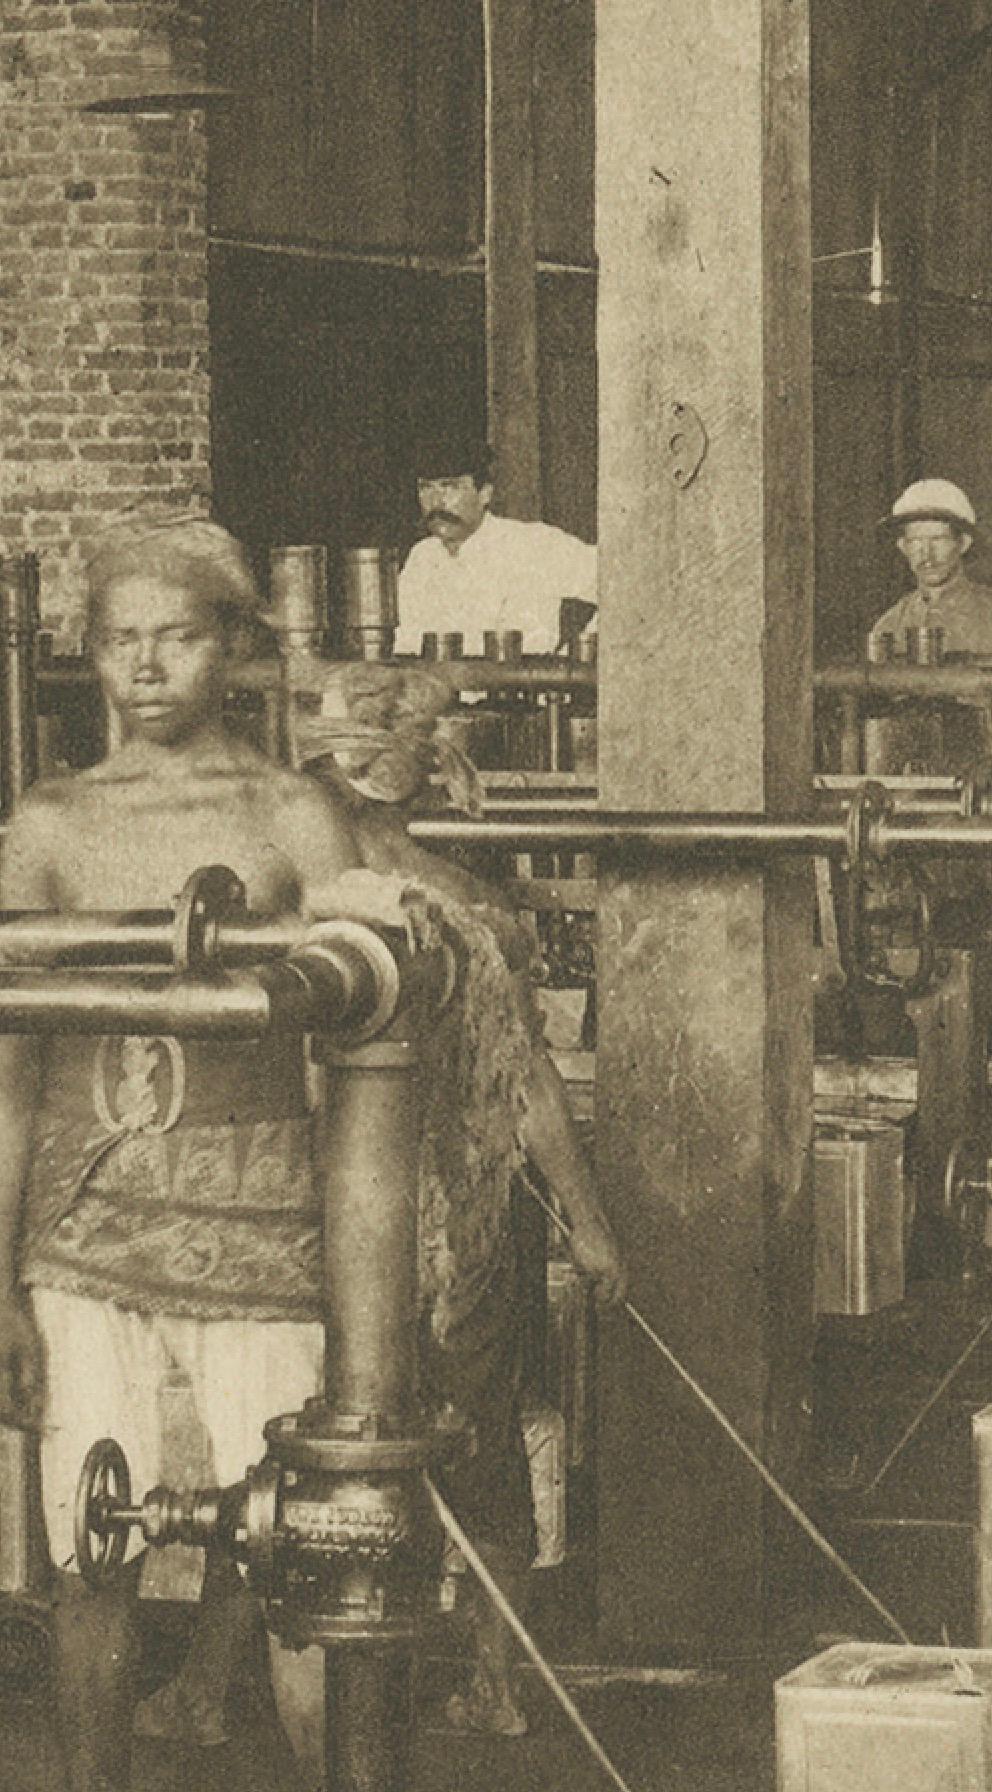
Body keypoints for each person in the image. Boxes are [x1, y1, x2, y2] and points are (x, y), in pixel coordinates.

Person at [128, 661, 631, 1745]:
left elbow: (518, 1081)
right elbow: (531, 1087)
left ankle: (212, 1688)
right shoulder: (469, 899)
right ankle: (487, 1679)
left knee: (288, 1444)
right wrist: (587, 1227)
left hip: (361, 1218)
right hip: (455, 1225)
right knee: (477, 1444)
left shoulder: (303, 899)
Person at [0, 506, 366, 1789]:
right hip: (83, 1226)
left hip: (262, 1217)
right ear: (86, 654)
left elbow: (373, 1037)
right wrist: (1, 1287)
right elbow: (10, 1071)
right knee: (87, 1547)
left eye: (175, 639)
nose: (144, 667)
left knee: (315, 1544)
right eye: (117, 641)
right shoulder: (48, 823)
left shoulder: (292, 816)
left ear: (233, 650)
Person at [863, 480, 992, 774]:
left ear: (964, 543)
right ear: (902, 547)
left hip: (987, 778)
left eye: (938, 540)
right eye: (915, 542)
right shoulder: (889, 625)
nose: (926, 555)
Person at [396, 440, 598, 655]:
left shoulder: (534, 544)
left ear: (485, 494)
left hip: (522, 686)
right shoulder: (422, 558)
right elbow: (406, 645)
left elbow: (625, 585)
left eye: (450, 486)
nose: (436, 502)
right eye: (425, 488)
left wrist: (575, 657)